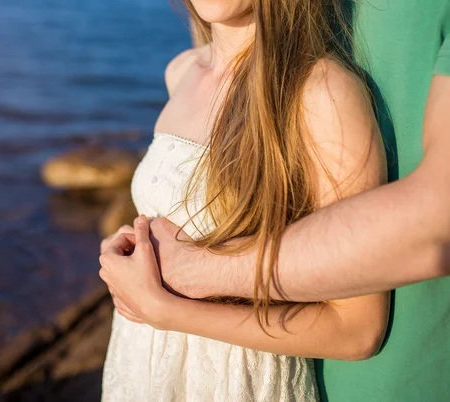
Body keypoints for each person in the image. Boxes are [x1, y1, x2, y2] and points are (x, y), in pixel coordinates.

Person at [102, 1, 450, 401]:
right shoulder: (180, 71)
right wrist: (130, 249)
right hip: (142, 364)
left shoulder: (320, 93)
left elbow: (357, 331)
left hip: (239, 382)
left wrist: (170, 312)